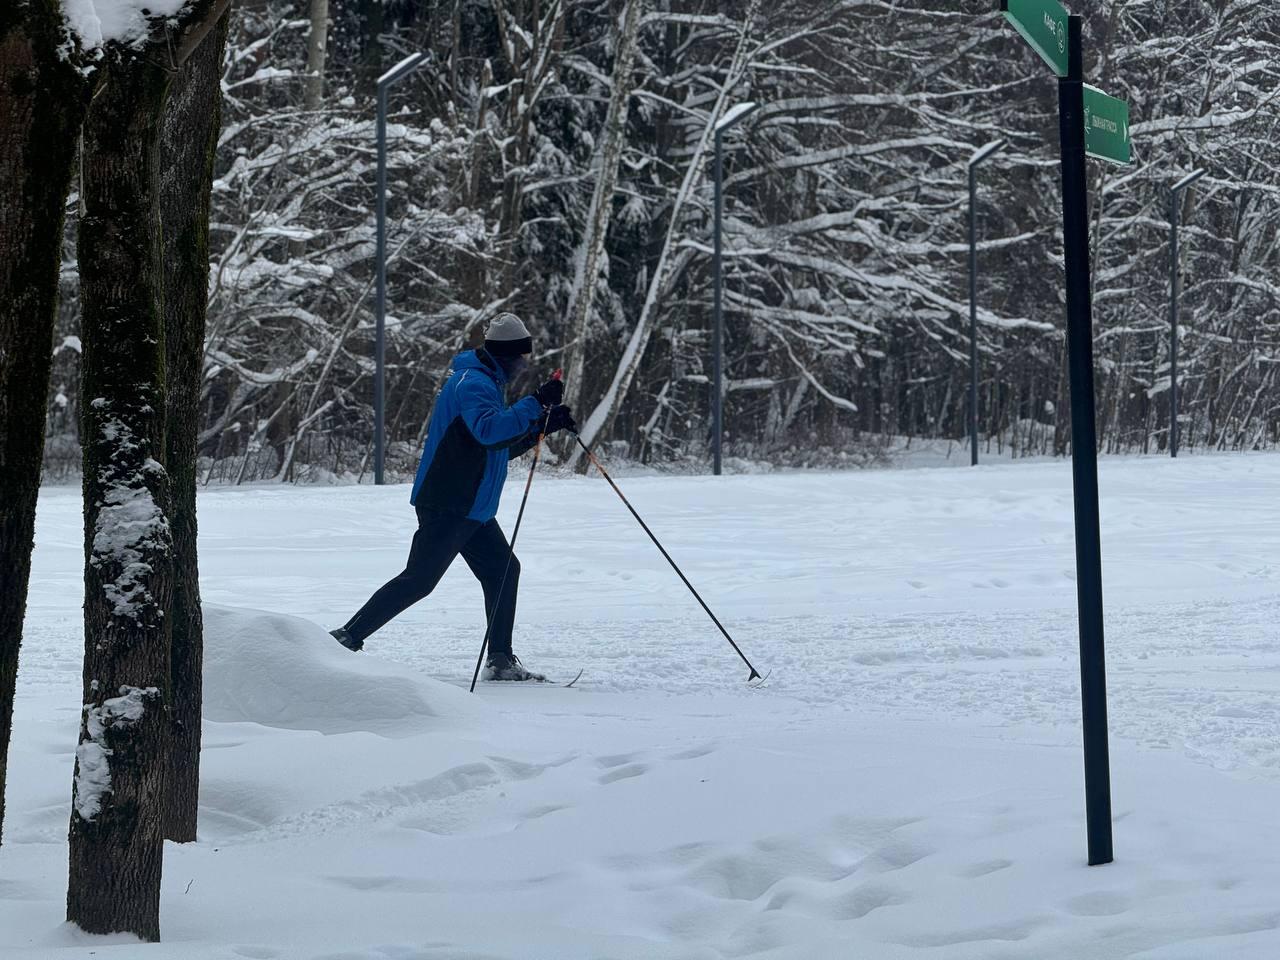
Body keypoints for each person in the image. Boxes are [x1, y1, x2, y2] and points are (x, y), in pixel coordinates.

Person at [329, 313, 576, 680]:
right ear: (504, 355)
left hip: (471, 505)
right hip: (450, 502)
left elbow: (495, 449)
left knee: (503, 571)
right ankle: (342, 641)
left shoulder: (488, 382)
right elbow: (491, 433)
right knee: (419, 580)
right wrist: (534, 403)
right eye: (520, 357)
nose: (523, 364)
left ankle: (501, 661)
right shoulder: (473, 383)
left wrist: (541, 426)